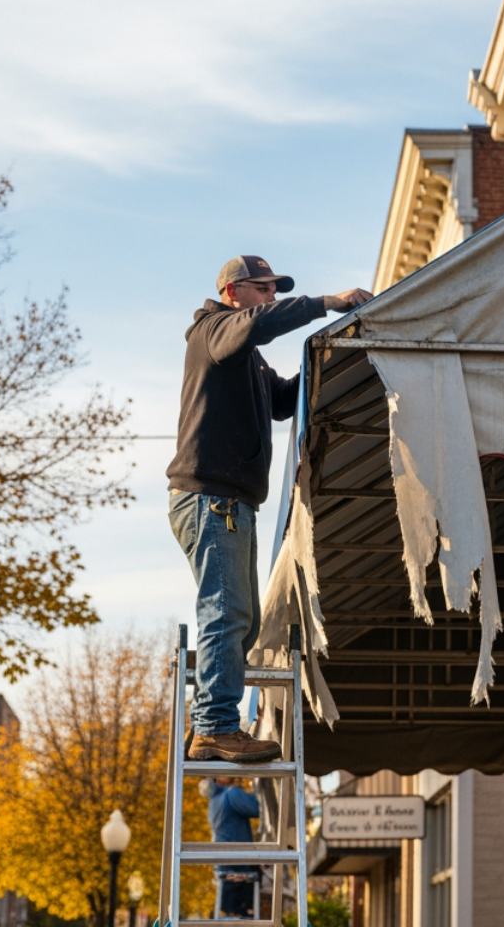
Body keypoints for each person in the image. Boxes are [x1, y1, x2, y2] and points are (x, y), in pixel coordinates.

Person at [167, 255, 372, 762]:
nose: (272, 297)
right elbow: (258, 325)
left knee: (242, 618)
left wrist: (334, 356)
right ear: (235, 293)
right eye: (264, 288)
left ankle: (211, 722)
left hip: (229, 502)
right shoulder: (214, 331)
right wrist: (328, 304)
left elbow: (284, 400)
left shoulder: (247, 360)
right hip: (213, 499)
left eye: (275, 290)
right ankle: (215, 725)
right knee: (227, 611)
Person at [201, 776, 262, 917]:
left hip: (224, 863)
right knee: (245, 915)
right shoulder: (231, 794)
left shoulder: (214, 799)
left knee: (230, 914)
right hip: (239, 863)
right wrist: (256, 791)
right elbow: (258, 809)